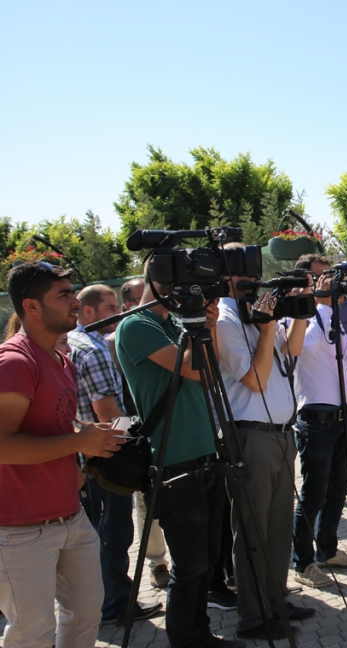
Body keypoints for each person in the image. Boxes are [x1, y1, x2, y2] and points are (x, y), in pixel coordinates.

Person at [116, 261, 245, 648]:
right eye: (178, 284)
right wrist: (199, 324)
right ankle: (186, 640)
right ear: (157, 283)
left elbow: (212, 368)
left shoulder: (173, 324)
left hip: (205, 451)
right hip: (173, 458)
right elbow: (194, 368)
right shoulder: (136, 326)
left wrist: (203, 323)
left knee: (206, 561)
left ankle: (200, 632)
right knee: (189, 566)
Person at [0, 261, 121, 648]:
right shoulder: (14, 362)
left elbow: (54, 424)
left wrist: (81, 450)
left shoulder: (61, 359)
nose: (74, 302)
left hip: (71, 516)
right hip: (18, 530)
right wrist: (79, 442)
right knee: (32, 633)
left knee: (87, 615)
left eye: (73, 292)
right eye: (64, 295)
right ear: (31, 307)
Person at [215, 246, 312, 640]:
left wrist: (300, 313)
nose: (255, 281)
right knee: (253, 531)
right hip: (250, 435)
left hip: (281, 433)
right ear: (227, 277)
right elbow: (254, 380)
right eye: (246, 275)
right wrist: (268, 326)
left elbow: (291, 351)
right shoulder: (224, 319)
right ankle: (253, 616)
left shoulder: (256, 312)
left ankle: (276, 599)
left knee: (277, 529)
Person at [69, 284, 162, 626]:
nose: (118, 313)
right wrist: (134, 451)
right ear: (88, 312)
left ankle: (100, 603)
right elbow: (109, 414)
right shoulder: (93, 350)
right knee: (115, 534)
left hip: (82, 460)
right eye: (110, 308)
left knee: (97, 534)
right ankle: (116, 605)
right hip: (106, 459)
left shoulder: (73, 344)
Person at [291, 254, 347, 588]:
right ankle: (301, 563)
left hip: (341, 417)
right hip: (315, 420)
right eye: (321, 279)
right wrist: (321, 303)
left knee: (337, 490)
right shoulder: (301, 319)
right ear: (306, 283)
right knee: (312, 495)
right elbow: (307, 348)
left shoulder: (328, 318)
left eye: (330, 279)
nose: (330, 284)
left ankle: (326, 550)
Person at [111, 278, 172, 590]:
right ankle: (157, 562)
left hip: (169, 432)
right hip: (139, 433)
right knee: (146, 507)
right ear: (130, 306)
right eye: (142, 298)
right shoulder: (118, 339)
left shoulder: (167, 329)